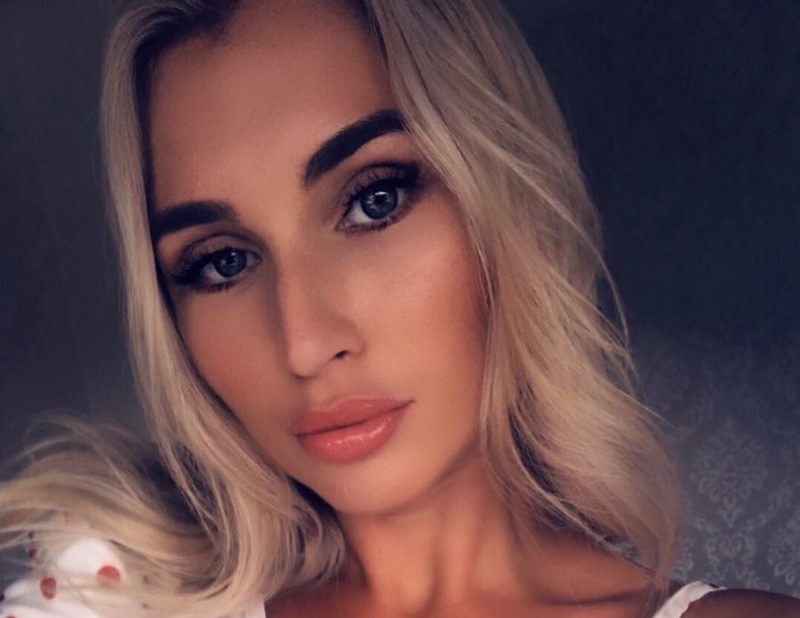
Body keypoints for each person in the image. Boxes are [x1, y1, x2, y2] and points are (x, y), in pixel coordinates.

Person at [1, 0, 798, 617]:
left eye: (374, 201)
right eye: (223, 262)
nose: (305, 343)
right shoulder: (110, 596)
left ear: (503, 198)